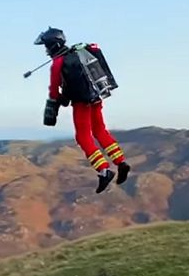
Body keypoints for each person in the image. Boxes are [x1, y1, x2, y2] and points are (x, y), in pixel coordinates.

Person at [35, 27, 131, 193]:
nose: (46, 50)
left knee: (83, 136)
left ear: (52, 45)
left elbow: (54, 90)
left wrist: (57, 103)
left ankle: (104, 171)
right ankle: (121, 163)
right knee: (100, 131)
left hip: (81, 103)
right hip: (97, 97)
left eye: (46, 46)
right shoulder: (80, 52)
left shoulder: (58, 63)